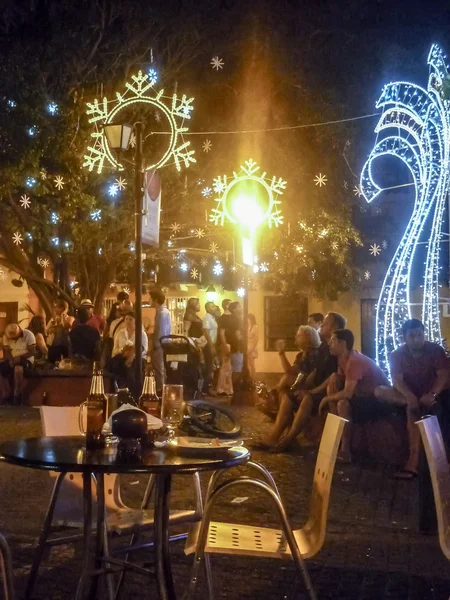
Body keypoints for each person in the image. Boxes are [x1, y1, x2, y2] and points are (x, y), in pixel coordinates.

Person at [375, 319, 449, 479]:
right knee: (380, 391)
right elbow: (397, 380)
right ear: (404, 337)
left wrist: (432, 394)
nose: (417, 339)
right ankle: (415, 405)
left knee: (412, 410)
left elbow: (443, 376)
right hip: (409, 394)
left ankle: (413, 463)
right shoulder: (397, 354)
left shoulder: (435, 350)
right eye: (412, 336)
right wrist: (410, 397)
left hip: (432, 395)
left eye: (420, 335)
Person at [318, 329, 390, 463]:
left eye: (333, 340)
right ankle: (337, 438)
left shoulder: (354, 361)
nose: (329, 344)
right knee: (334, 385)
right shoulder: (342, 359)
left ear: (342, 343)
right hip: (362, 396)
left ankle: (345, 450)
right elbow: (337, 379)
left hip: (376, 399)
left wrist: (326, 398)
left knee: (342, 403)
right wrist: (316, 392)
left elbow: (348, 393)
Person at [253, 324, 322, 451]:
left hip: (313, 390)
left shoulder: (318, 355)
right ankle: (275, 436)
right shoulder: (301, 356)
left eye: (299, 335)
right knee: (285, 393)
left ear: (308, 338)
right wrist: (281, 353)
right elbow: (290, 371)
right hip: (300, 386)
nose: (295, 337)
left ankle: (273, 401)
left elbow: (308, 378)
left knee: (285, 387)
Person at [109, 312, 148, 397]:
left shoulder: (141, 334)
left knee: (131, 369)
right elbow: (114, 351)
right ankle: (120, 392)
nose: (128, 321)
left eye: (130, 319)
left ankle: (134, 394)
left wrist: (132, 354)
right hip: (122, 359)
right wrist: (123, 350)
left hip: (137, 360)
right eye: (126, 319)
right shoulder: (120, 333)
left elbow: (144, 350)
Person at [0, 324, 36, 404]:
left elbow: (32, 352)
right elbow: (7, 351)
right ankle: (6, 393)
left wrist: (19, 358)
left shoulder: (29, 335)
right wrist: (11, 360)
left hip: (26, 359)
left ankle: (17, 394)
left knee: (18, 369)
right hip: (12, 358)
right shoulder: (6, 336)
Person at [149, 289, 172, 393]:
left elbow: (161, 331)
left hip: (160, 345)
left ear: (156, 300)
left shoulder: (162, 313)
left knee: (159, 370)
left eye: (151, 298)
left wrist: (156, 345)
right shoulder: (162, 312)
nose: (149, 300)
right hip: (161, 344)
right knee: (159, 369)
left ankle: (160, 391)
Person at [216, 299, 233, 396]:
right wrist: (225, 345)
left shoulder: (231, 317)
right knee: (225, 367)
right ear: (226, 306)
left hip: (231, 343)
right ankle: (221, 388)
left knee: (229, 368)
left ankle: (228, 389)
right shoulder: (224, 318)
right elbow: (221, 333)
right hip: (226, 344)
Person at [203, 301, 219, 396]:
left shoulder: (212, 318)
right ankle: (206, 388)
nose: (214, 308)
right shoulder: (207, 318)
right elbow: (206, 333)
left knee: (211, 366)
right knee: (209, 367)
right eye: (212, 307)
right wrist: (211, 346)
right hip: (209, 345)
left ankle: (208, 387)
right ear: (208, 308)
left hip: (213, 344)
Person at [247, 313, 259, 379]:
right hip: (247, 346)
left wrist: (251, 349)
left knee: (252, 364)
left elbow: (256, 339)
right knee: (247, 364)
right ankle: (249, 378)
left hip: (252, 347)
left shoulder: (255, 327)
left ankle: (253, 378)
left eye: (248, 319)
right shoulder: (247, 326)